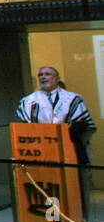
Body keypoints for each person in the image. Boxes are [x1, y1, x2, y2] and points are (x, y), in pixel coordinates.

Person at [15, 66, 96, 210]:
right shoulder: (27, 101)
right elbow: (24, 127)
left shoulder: (73, 99)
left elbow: (83, 126)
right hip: (41, 156)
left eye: (47, 74)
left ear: (57, 78)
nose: (43, 77)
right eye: (40, 75)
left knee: (73, 197)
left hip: (69, 153)